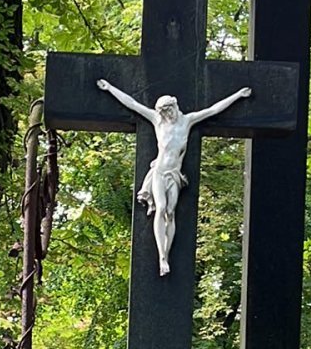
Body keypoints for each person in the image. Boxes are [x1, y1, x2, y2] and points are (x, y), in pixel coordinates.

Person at [96, 79, 251, 275]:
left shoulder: (187, 121)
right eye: (164, 112)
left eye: (168, 110)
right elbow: (133, 104)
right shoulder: (157, 121)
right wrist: (110, 88)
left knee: (170, 212)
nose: (167, 115)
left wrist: (238, 95)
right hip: (160, 172)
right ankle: (162, 257)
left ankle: (166, 253)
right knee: (161, 208)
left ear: (175, 106)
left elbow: (213, 110)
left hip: (175, 174)